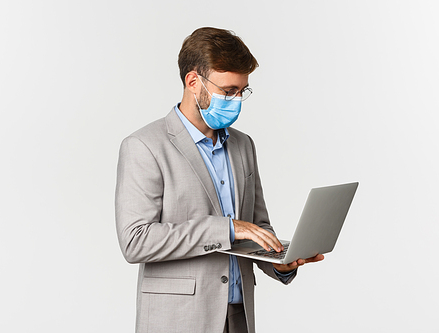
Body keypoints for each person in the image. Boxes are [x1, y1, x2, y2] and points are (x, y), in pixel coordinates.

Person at [115, 27, 324, 333]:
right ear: (192, 81)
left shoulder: (243, 145)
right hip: (180, 319)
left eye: (242, 91)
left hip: (238, 316)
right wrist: (226, 228)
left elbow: (256, 226)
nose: (237, 100)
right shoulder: (144, 146)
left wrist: (278, 262)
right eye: (228, 91)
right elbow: (136, 241)